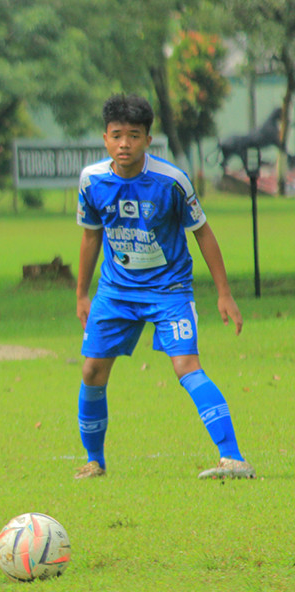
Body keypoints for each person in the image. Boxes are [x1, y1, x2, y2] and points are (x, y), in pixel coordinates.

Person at [74, 93, 252, 481]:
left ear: (148, 140)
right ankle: (94, 461)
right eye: (117, 135)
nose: (125, 144)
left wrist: (224, 294)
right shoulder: (92, 181)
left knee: (187, 367)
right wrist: (82, 293)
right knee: (91, 372)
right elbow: (90, 237)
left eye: (134, 135)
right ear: (105, 138)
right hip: (115, 292)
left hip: (168, 291)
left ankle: (233, 458)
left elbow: (202, 233)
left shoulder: (171, 181)